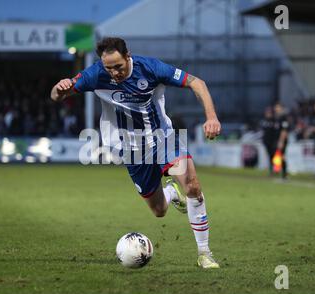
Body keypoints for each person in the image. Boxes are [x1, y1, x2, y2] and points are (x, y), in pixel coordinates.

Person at [50, 37, 221, 269]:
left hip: (164, 139)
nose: (114, 73)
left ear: (128, 56)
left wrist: (211, 117)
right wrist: (60, 89)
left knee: (192, 186)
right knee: (159, 210)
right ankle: (170, 192)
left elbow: (197, 83)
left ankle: (205, 253)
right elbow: (56, 96)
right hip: (132, 149)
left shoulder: (150, 68)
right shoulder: (95, 74)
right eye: (108, 68)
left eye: (118, 67)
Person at [272, 103, 290, 179]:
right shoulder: (276, 118)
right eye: (276, 107)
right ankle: (277, 170)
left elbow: (284, 131)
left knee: (281, 155)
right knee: (277, 155)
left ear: (281, 108)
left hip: (281, 140)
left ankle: (284, 173)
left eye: (278, 107)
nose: (276, 109)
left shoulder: (284, 118)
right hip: (276, 139)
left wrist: (281, 141)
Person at [260, 107, 276, 175]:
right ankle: (271, 170)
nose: (268, 114)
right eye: (267, 112)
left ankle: (276, 169)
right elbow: (263, 132)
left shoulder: (274, 120)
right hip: (266, 141)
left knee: (274, 155)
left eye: (269, 113)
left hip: (273, 141)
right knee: (270, 156)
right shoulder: (264, 121)